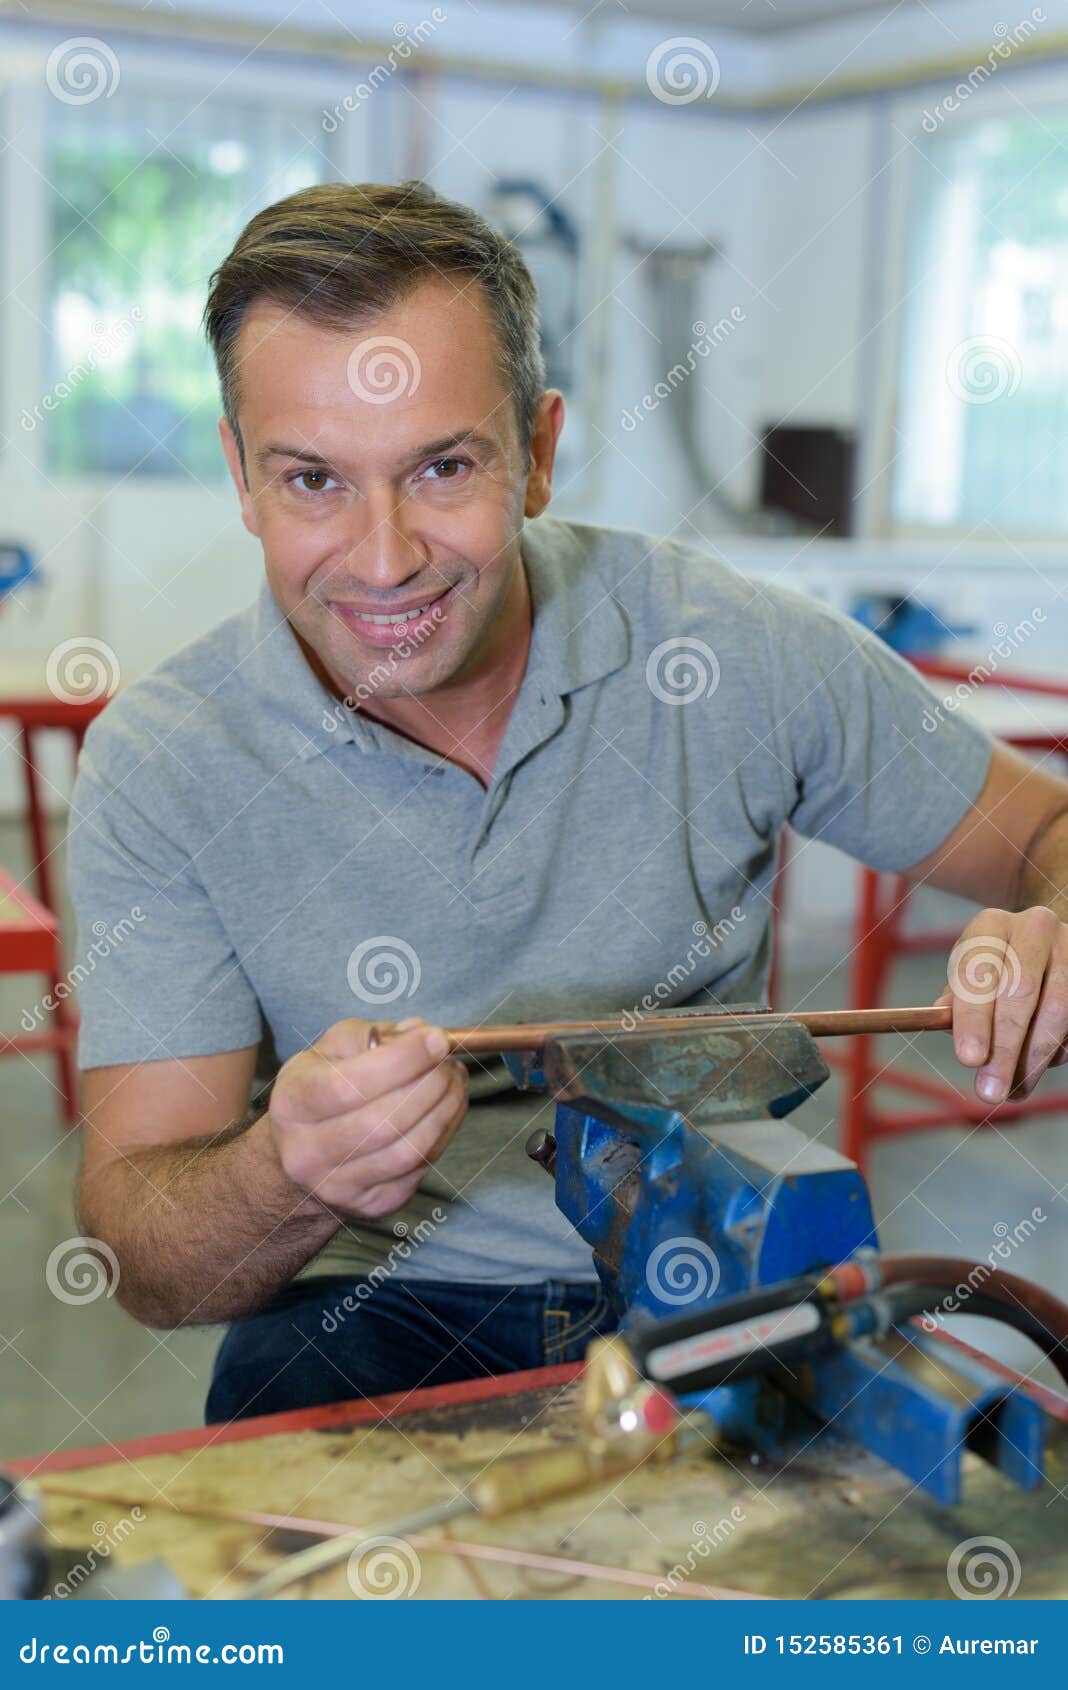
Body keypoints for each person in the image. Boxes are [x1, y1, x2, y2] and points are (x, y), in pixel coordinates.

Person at [68, 181, 1068, 1422]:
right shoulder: (167, 762)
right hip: (368, 1304)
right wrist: (291, 1171)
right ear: (239, 473)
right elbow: (150, 1259)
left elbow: (1046, 833)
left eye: (443, 467)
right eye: (313, 480)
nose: (384, 559)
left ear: (537, 452)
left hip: (716, 1268)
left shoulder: (734, 650)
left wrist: (1051, 933)